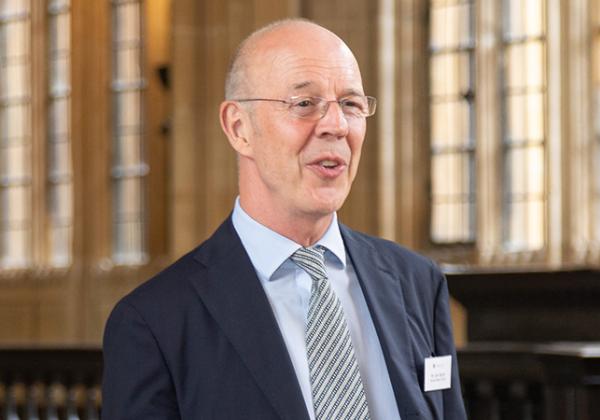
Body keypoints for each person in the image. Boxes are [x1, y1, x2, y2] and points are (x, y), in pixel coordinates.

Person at [102, 18, 467, 420]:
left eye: (351, 104)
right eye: (305, 104)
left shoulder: (417, 282)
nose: (337, 126)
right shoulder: (154, 322)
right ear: (239, 128)